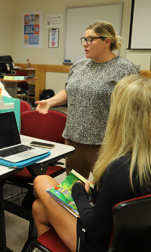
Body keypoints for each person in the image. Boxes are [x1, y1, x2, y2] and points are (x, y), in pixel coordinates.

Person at [32, 75, 151, 252]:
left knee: (40, 182)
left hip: (99, 244)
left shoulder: (120, 168)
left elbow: (94, 231)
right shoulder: (139, 162)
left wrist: (79, 194)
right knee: (39, 208)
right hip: (137, 240)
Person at [35, 21, 138, 179]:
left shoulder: (125, 68)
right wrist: (50, 101)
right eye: (84, 39)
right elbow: (68, 90)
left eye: (90, 39)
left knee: (103, 188)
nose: (85, 43)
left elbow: (132, 106)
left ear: (106, 42)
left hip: (104, 142)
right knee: (73, 185)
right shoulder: (79, 65)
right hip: (73, 137)